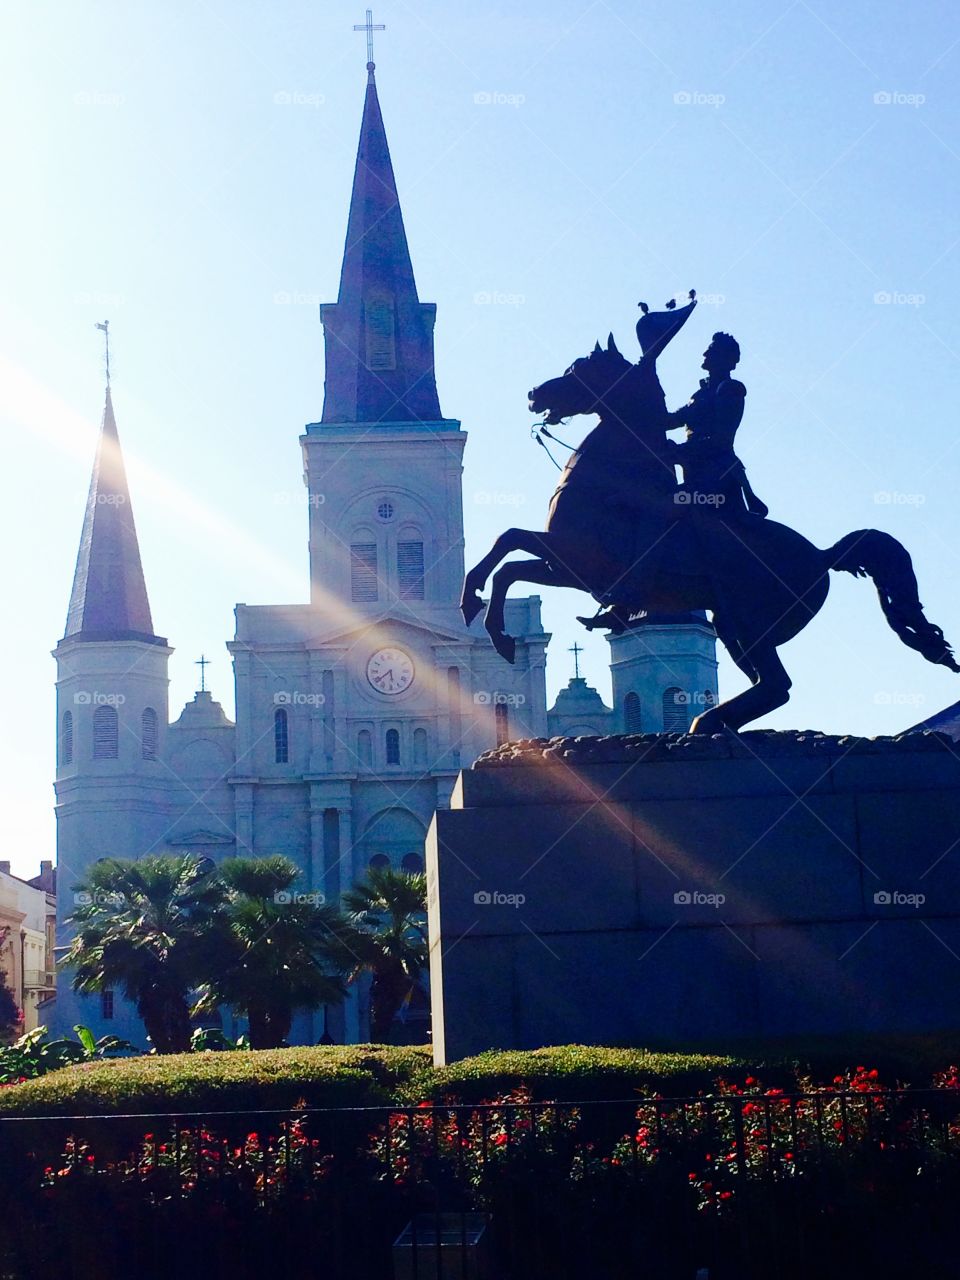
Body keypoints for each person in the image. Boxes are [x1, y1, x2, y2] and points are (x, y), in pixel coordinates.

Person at [669, 332, 768, 518]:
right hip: (695, 471)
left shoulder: (731, 389)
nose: (705, 354)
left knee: (667, 502)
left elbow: (721, 441)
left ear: (727, 359)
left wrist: (677, 450)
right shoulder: (699, 395)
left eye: (712, 350)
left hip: (717, 474)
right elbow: (671, 421)